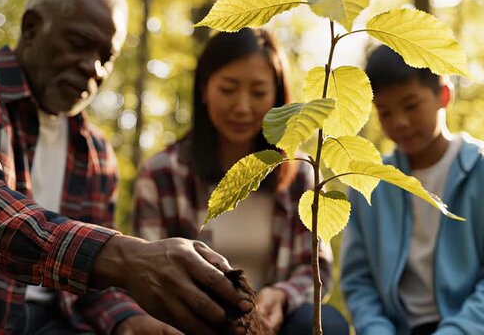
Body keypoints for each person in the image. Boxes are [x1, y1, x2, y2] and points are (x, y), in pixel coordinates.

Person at [0, 0, 252, 334]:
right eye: (79, 43)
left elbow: (95, 284)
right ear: (31, 28)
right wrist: (127, 256)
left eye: (106, 58)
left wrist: (129, 321)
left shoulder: (95, 152)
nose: (93, 69)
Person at [133, 28, 349, 335]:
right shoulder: (162, 174)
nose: (243, 107)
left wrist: (281, 296)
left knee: (329, 323)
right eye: (228, 89)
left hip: (275, 324)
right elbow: (149, 275)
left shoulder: (301, 174)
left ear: (277, 98)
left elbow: (314, 267)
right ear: (205, 89)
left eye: (259, 92)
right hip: (193, 322)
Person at [340, 45, 484, 334]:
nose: (399, 122)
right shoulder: (368, 182)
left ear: (444, 96)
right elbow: (359, 282)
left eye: (411, 106)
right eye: (384, 112)